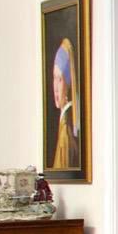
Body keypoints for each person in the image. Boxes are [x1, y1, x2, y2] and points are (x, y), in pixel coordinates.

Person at [49, 39, 80, 170]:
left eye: (60, 79)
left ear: (68, 84)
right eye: (54, 78)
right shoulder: (64, 121)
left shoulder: (67, 127)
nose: (55, 87)